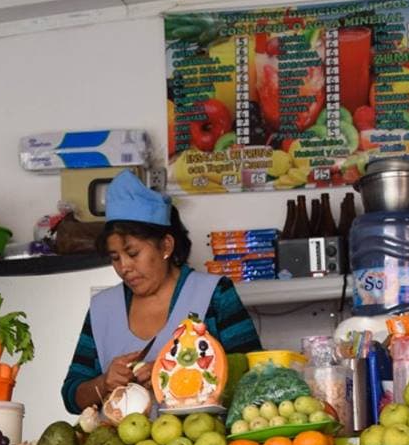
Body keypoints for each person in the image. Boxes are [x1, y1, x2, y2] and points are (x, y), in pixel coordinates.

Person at [61, 172, 262, 415]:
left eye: (133, 253)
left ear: (166, 245)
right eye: (115, 258)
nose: (124, 267)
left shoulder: (214, 294)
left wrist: (175, 374)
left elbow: (255, 376)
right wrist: (103, 383)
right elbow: (71, 397)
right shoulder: (102, 308)